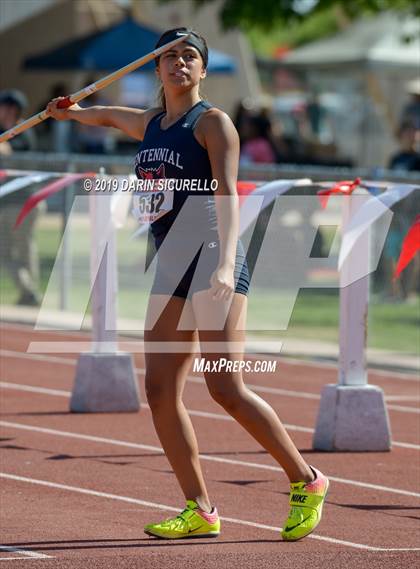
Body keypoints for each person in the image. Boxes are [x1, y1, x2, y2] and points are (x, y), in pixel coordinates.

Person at [46, 27, 329, 542]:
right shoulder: (152, 124)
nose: (179, 63)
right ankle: (199, 508)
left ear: (201, 70)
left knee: (225, 387)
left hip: (215, 256)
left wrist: (223, 267)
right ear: (156, 69)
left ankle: (306, 480)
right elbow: (109, 115)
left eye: (190, 56)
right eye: (170, 56)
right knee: (158, 389)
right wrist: (71, 113)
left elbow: (226, 193)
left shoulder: (213, 124)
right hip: (173, 263)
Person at [0, 89, 41, 306]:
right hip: (6, 203)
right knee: (4, 252)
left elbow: (7, 149)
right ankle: (29, 290)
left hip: (25, 202)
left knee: (24, 248)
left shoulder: (23, 130)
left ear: (12, 109)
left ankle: (30, 293)